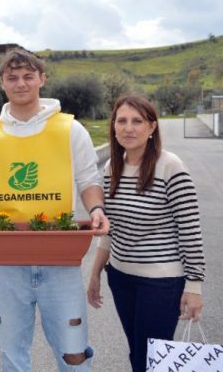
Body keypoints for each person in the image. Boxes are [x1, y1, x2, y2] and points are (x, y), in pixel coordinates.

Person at [0, 48, 109, 372]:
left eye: (28, 76)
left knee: (73, 351)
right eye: (12, 77)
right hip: (8, 259)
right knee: (12, 351)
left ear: (42, 78)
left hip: (61, 257)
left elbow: (87, 179)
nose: (21, 83)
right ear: (2, 83)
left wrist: (96, 208)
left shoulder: (71, 129)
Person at [87, 95, 205, 372]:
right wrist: (95, 273)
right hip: (121, 278)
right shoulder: (111, 168)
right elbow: (109, 228)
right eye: (122, 121)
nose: (129, 128)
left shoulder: (170, 166)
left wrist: (195, 287)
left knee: (154, 361)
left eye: (137, 121)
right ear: (113, 127)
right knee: (138, 354)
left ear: (152, 127)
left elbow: (190, 230)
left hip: (161, 283)